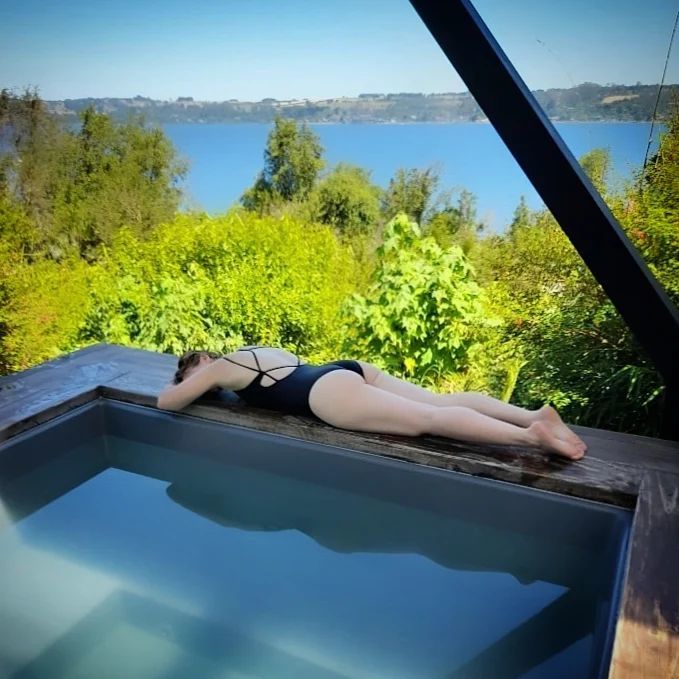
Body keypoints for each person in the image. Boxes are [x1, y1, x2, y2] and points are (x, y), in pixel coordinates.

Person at [157, 346, 587, 460]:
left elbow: (166, 403)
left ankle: (531, 437)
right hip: (343, 370)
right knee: (439, 400)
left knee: (429, 418)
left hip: (326, 395)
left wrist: (187, 382)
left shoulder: (218, 367)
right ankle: (532, 414)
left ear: (199, 363)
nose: (192, 382)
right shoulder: (256, 350)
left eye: (187, 373)